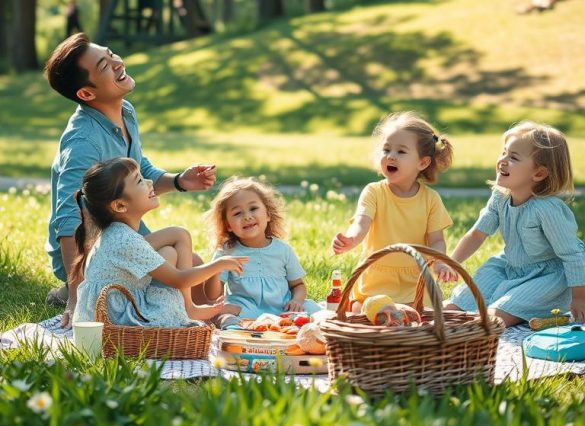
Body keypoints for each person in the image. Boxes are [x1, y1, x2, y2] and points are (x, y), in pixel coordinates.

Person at [44, 33, 216, 327]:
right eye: (104, 65)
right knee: (175, 258)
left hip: (127, 239)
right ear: (86, 93)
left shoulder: (125, 111)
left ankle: (188, 312)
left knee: (200, 269)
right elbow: (69, 218)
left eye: (110, 53)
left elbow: (141, 168)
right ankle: (87, 292)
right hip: (98, 253)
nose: (116, 61)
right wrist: (77, 295)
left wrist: (179, 181)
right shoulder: (83, 141)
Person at [72, 158, 245, 327]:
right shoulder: (124, 240)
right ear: (120, 206)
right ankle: (187, 310)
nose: (149, 182)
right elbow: (179, 280)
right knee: (169, 253)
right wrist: (219, 264)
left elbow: (177, 240)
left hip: (121, 299)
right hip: (116, 316)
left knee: (178, 235)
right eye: (139, 180)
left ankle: (189, 307)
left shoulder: (117, 232)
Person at [444, 122, 585, 325]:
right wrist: (452, 263)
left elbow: (573, 255)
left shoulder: (547, 209)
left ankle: (500, 314)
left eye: (513, 157)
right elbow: (477, 234)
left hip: (548, 277)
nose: (502, 160)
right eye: (504, 152)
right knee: (453, 307)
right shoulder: (500, 196)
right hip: (510, 266)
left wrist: (579, 298)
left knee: (491, 319)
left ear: (539, 174)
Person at [331, 111, 454, 310]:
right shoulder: (374, 192)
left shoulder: (430, 199)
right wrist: (350, 240)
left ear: (422, 162)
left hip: (415, 280)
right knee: (363, 311)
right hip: (376, 279)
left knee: (426, 313)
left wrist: (439, 262)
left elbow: (437, 240)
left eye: (401, 152)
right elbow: (361, 224)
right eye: (386, 149)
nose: (391, 156)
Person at [204, 176, 321, 324]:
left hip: (282, 310)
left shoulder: (283, 250)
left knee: (315, 311)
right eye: (237, 213)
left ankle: (297, 327)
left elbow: (298, 285)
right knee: (222, 314)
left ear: (268, 215)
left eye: (253, 208)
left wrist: (296, 301)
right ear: (228, 225)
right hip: (245, 310)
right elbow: (211, 295)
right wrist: (216, 267)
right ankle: (237, 333)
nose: (247, 216)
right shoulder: (227, 252)